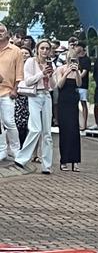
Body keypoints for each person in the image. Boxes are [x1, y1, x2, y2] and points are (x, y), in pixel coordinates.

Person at [15, 40, 55, 173]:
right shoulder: (31, 62)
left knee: (47, 133)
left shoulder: (50, 63)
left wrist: (50, 75)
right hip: (34, 95)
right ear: (37, 49)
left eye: (47, 49)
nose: (44, 51)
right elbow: (28, 81)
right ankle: (21, 158)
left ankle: (47, 165)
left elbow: (53, 86)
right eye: (42, 48)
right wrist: (41, 73)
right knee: (35, 128)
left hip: (46, 95)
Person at [0, 22, 24, 162]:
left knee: (9, 122)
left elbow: (19, 73)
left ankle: (15, 150)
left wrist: (15, 89)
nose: (0, 32)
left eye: (2, 30)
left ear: (7, 33)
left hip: (8, 92)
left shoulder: (16, 51)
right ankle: (2, 150)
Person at [14, 47, 31, 150]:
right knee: (16, 123)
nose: (24, 55)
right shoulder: (14, 66)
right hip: (16, 96)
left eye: (26, 53)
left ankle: (24, 147)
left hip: (29, 97)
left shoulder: (31, 67)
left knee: (25, 124)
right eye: (22, 53)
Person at [75, 43, 91, 130]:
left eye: (78, 46)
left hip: (83, 85)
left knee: (83, 103)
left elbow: (84, 72)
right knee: (75, 104)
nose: (76, 48)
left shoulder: (86, 59)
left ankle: (84, 124)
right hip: (74, 85)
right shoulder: (76, 59)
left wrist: (77, 78)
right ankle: (76, 122)